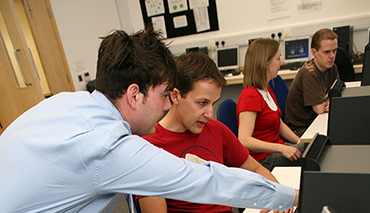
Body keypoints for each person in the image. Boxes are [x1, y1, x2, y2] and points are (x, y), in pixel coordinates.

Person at [0, 26, 298, 212]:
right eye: (165, 94)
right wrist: (291, 197)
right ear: (134, 95)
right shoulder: (109, 147)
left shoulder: (66, 103)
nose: (168, 103)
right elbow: (203, 180)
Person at [135, 51, 293, 213]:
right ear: (175, 96)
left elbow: (255, 169)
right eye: (202, 103)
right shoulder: (150, 150)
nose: (210, 114)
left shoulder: (216, 130)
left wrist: (278, 196)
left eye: (213, 104)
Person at [237, 38, 303, 172]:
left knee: (310, 148)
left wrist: (300, 141)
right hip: (263, 160)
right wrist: (282, 148)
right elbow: (244, 140)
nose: (281, 63)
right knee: (311, 155)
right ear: (266, 63)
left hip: (275, 150)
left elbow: (279, 124)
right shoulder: (250, 95)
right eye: (278, 59)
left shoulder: (266, 89)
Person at [285, 28, 340, 136]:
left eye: (334, 51)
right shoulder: (309, 74)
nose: (332, 56)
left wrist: (329, 100)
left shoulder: (331, 67)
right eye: (327, 52)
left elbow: (336, 93)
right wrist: (330, 101)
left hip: (315, 121)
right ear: (314, 52)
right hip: (300, 129)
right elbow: (320, 109)